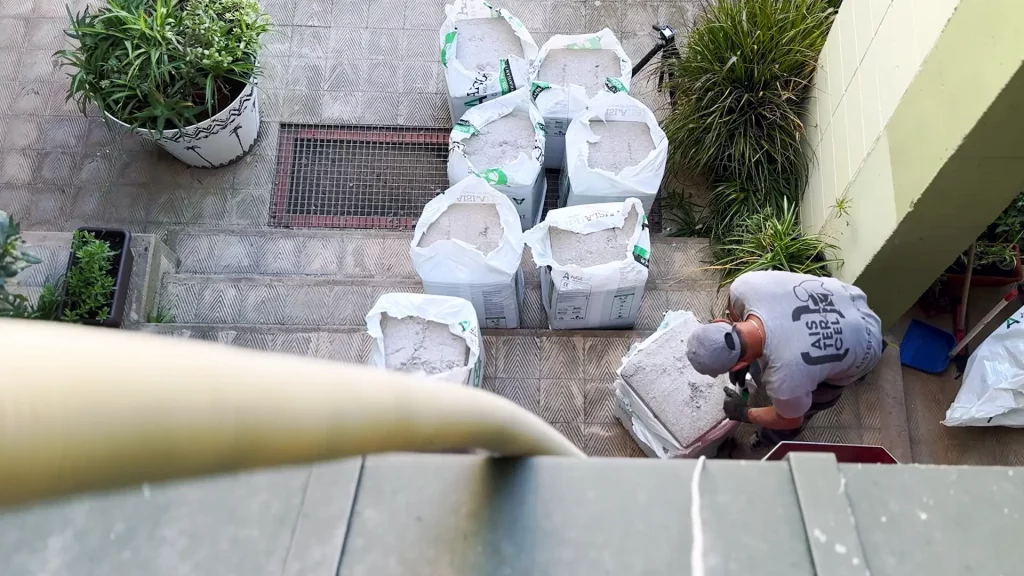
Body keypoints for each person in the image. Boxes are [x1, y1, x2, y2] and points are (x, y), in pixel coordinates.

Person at [686, 270, 884, 449]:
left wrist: (743, 413)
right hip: (848, 297)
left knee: (806, 406)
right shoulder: (743, 286)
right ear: (721, 322)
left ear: (738, 364)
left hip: (867, 345)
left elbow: (791, 419)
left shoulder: (787, 377)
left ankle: (768, 441)